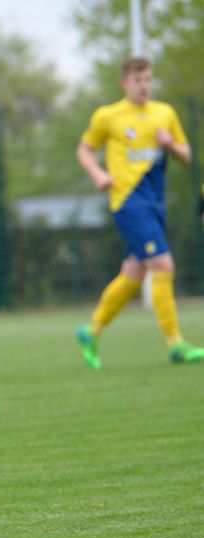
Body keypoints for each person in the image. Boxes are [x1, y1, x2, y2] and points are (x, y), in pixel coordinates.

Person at [75, 57, 202, 370]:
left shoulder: (165, 113)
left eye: (147, 80)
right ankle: (175, 344)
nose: (144, 86)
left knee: (134, 273)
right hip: (128, 203)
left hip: (155, 203)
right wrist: (97, 174)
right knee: (162, 263)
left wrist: (170, 144)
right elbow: (84, 149)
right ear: (124, 83)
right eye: (137, 80)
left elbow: (186, 155)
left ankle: (91, 331)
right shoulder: (109, 116)